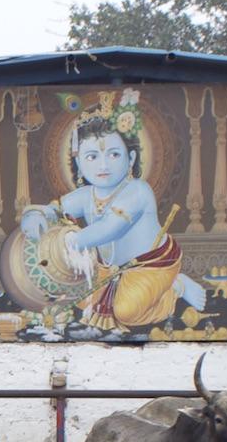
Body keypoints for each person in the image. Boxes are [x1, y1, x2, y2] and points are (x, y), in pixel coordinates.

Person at [20, 96, 207, 330]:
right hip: (109, 270)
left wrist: (75, 240)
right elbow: (53, 210)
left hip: (150, 266)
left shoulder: (138, 191)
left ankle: (175, 287)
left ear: (131, 159)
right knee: (80, 301)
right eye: (92, 157)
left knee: (126, 313)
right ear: (78, 164)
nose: (103, 166)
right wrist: (37, 216)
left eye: (114, 154)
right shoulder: (86, 195)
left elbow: (111, 228)